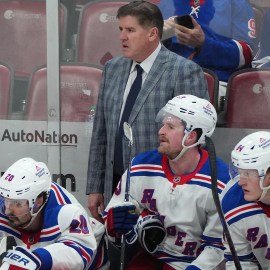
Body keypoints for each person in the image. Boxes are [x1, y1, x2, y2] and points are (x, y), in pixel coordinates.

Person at [86, 0, 208, 224]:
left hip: (161, 188)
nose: (122, 36)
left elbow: (195, 140)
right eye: (121, 29)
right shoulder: (112, 69)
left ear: (153, 34)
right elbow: (101, 132)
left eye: (130, 30)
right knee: (117, 253)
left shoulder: (184, 71)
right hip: (114, 184)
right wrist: (95, 187)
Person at [103, 94, 230, 269]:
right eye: (163, 124)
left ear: (191, 137)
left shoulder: (221, 182)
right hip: (150, 259)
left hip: (194, 265)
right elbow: (113, 217)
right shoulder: (141, 166)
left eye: (170, 127)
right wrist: (114, 226)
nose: (161, 131)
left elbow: (218, 247)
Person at [0, 157, 108, 270]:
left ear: (38, 201)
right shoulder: (7, 202)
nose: (7, 210)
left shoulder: (67, 212)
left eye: (17, 203)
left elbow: (77, 253)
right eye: (5, 201)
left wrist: (37, 260)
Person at [161, 0, 256, 96]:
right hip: (169, 81)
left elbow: (246, 54)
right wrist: (161, 39)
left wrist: (204, 43)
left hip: (217, 83)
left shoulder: (236, 3)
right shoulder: (165, 3)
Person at [221, 131, 270, 269]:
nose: (240, 182)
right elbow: (241, 262)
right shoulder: (233, 201)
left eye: (248, 174)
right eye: (240, 172)